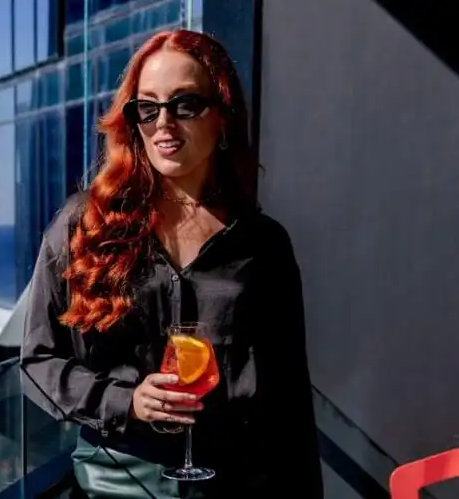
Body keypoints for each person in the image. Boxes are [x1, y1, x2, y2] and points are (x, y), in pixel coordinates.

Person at [20, 29, 323, 498]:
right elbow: (37, 361)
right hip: (114, 480)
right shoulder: (84, 224)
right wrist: (128, 401)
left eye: (185, 105)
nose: (163, 123)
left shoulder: (262, 244)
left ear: (221, 116)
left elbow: (289, 400)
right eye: (147, 107)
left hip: (235, 483)